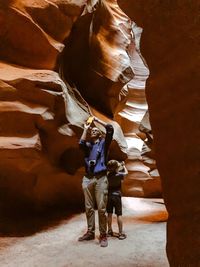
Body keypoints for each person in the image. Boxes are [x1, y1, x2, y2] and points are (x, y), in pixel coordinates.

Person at [78, 116, 114, 247]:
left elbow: (110, 129)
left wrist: (97, 121)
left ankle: (103, 235)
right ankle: (90, 232)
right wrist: (85, 129)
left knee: (101, 208)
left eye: (95, 130)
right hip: (88, 178)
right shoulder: (88, 146)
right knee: (88, 207)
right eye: (91, 130)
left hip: (100, 178)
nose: (92, 130)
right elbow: (80, 144)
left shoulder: (104, 144)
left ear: (99, 133)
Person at [106, 160, 128, 240]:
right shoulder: (119, 175)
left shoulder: (108, 175)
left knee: (109, 214)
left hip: (109, 196)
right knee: (119, 214)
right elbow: (126, 173)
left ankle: (109, 231)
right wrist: (124, 166)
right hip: (117, 196)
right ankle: (120, 233)